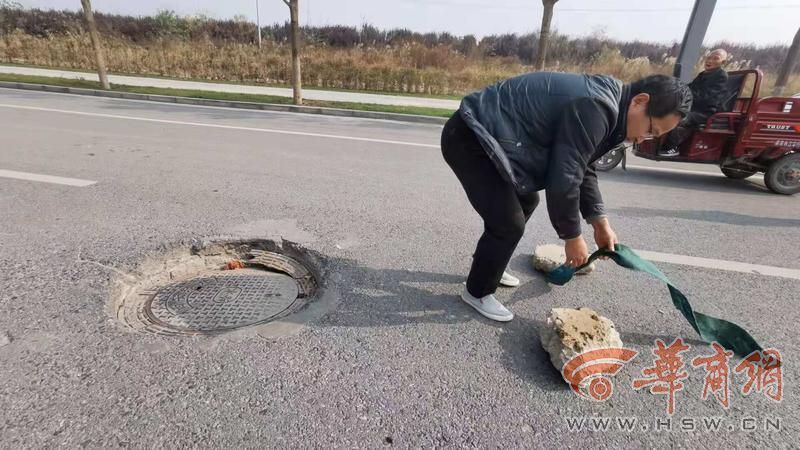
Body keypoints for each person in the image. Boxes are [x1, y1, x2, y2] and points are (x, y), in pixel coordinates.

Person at [441, 72, 692, 322]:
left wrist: (600, 222)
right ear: (639, 101)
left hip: (490, 136)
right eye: (650, 129)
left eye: (653, 137)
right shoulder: (597, 107)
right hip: (471, 136)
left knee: (527, 201)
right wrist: (572, 237)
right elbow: (566, 176)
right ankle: (477, 292)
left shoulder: (610, 107)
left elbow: (584, 167)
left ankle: (490, 266)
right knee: (508, 223)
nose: (643, 139)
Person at [660, 49, 729, 156]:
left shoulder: (721, 76)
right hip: (695, 108)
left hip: (707, 112)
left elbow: (707, 97)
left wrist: (686, 97)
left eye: (716, 58)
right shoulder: (703, 74)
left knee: (677, 116)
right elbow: (690, 88)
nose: (710, 60)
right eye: (709, 57)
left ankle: (672, 148)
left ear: (723, 62)